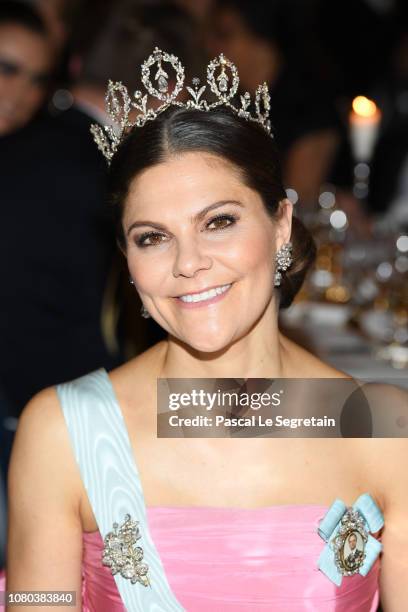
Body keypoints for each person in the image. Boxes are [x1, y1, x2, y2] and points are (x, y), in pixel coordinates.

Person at [5, 48, 408, 611]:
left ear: (281, 224)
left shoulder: (382, 429)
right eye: (152, 236)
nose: (187, 262)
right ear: (126, 258)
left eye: (219, 222)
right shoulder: (63, 433)